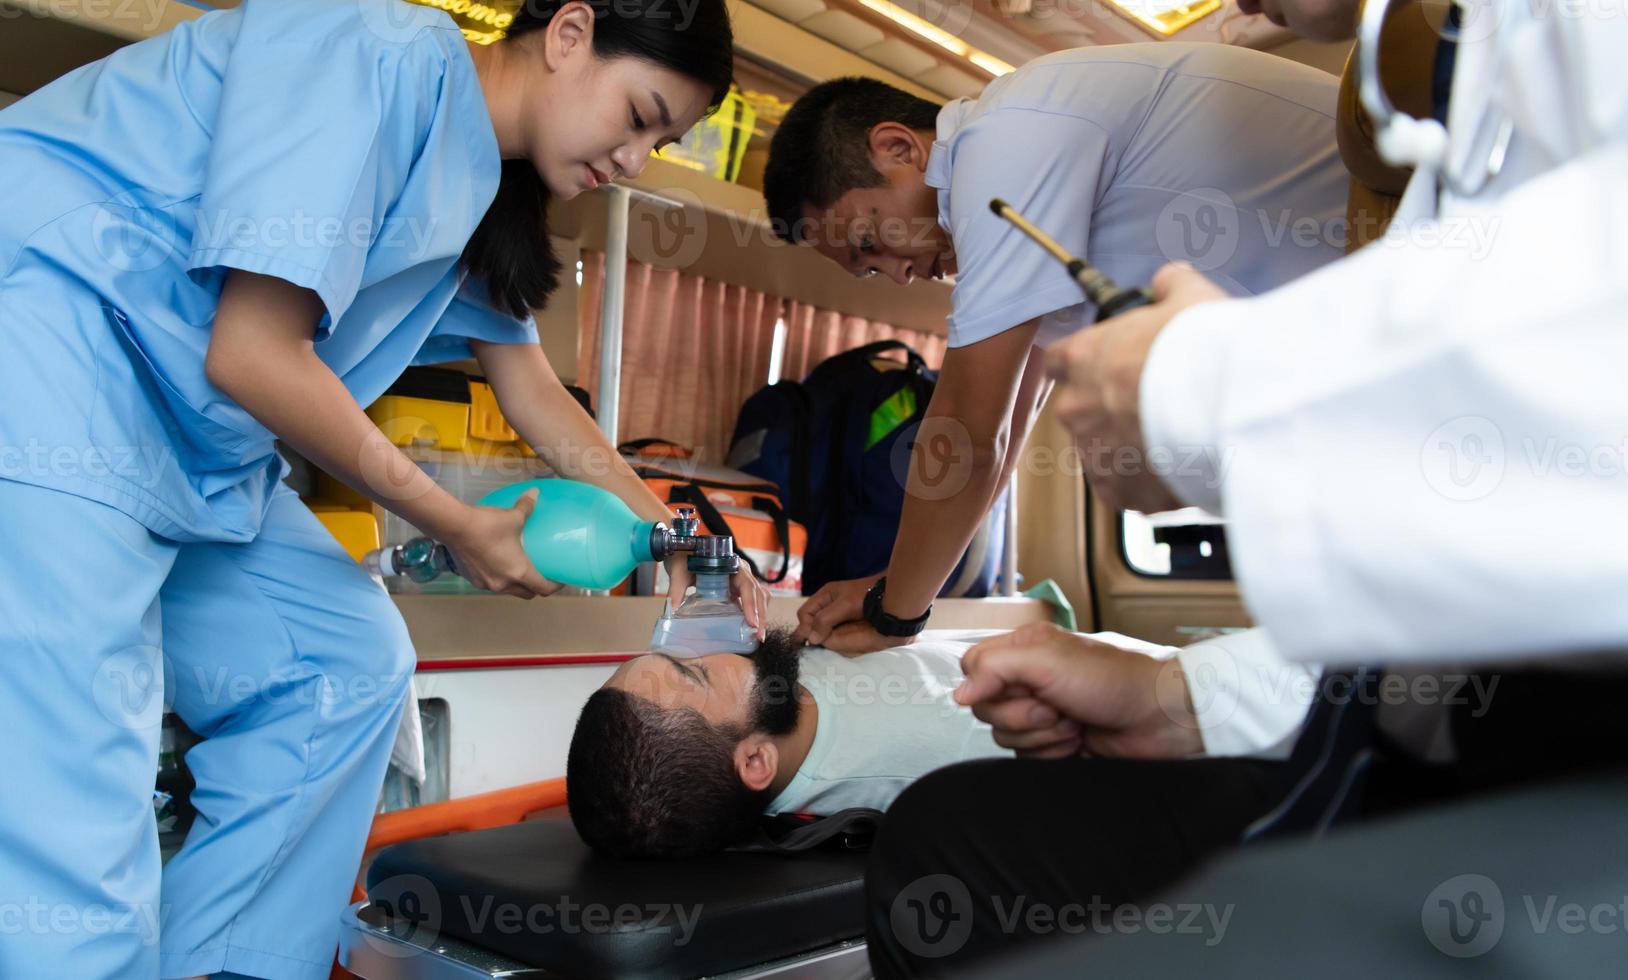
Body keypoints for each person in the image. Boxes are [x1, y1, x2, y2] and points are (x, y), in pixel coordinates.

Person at [0, 1, 765, 977]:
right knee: (77, 776)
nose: (638, 159)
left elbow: (532, 392)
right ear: (570, 34)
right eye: (641, 114)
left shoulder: (479, 184)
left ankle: (229, 965)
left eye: (664, 140)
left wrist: (684, 544)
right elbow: (250, 351)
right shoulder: (367, 54)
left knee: (341, 666)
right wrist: (452, 521)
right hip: (53, 361)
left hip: (183, 445)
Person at [866, 0, 1628, 975]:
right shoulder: (1432, 87)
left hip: (1548, 782)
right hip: (1425, 728)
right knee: (946, 834)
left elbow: (973, 429)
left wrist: (1197, 384)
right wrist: (1174, 696)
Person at [761, 43, 1348, 655]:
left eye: (870, 240)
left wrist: (895, 616)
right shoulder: (1016, 211)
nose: (899, 274)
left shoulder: (1004, 139)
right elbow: (1003, 435)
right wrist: (892, 591)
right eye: (871, 270)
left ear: (899, 149)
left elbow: (964, 429)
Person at [566, 623, 1309, 858]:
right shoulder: (945, 763)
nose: (720, 650)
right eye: (698, 671)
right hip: (1225, 689)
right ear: (754, 761)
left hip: (1215, 668)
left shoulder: (781, 691)